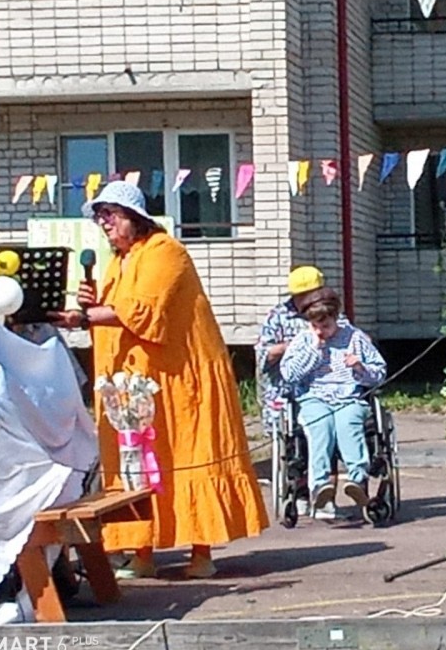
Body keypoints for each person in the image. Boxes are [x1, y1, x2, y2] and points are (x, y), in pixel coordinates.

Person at [50, 181, 268, 580]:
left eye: (110, 214)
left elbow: (143, 311)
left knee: (183, 457)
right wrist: (89, 307)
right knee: (136, 464)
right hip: (132, 384)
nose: (103, 223)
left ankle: (201, 553)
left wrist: (83, 318)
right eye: (99, 216)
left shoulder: (166, 252)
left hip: (180, 379)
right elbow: (115, 313)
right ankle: (142, 552)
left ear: (134, 217)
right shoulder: (119, 260)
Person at [279, 287, 386, 516]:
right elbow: (289, 374)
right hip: (314, 398)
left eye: (326, 326)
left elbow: (379, 373)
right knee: (321, 428)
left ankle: (357, 479)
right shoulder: (304, 340)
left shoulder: (355, 338)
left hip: (348, 397)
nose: (321, 331)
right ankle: (320, 486)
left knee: (349, 426)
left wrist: (360, 367)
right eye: (315, 326)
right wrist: (314, 351)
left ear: (335, 318)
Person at [255, 265, 342, 520]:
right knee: (295, 436)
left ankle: (325, 494)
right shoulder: (278, 316)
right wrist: (292, 346)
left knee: (330, 426)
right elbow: (262, 354)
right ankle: (300, 491)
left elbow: (352, 337)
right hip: (287, 390)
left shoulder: (331, 312)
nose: (312, 299)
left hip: (324, 387)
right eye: (305, 295)